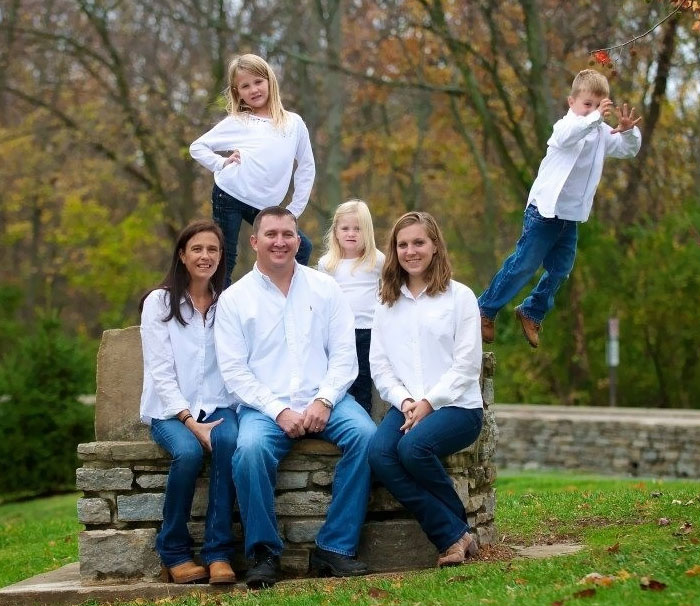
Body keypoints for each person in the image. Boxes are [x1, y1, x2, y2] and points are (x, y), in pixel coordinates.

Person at [214, 206, 376, 589]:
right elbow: (234, 372)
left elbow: (343, 356)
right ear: (254, 241)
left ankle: (334, 547)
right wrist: (278, 409)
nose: (280, 242)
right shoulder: (236, 299)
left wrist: (324, 400)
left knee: (368, 438)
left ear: (297, 239)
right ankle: (264, 553)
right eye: (271, 234)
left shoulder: (325, 288)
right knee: (249, 449)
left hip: (327, 399)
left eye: (288, 234)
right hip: (264, 408)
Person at [479, 69, 642, 347]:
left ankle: (531, 311)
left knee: (561, 270)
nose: (592, 111)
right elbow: (571, 135)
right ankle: (485, 309)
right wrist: (591, 118)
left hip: (570, 217)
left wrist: (628, 133)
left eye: (598, 105)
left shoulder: (601, 133)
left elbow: (628, 150)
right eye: (586, 104)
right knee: (524, 265)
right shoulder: (564, 127)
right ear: (572, 102)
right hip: (544, 211)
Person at [367, 211, 484, 568]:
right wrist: (404, 400)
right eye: (402, 244)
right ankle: (456, 534)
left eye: (418, 242)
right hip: (405, 406)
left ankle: (451, 535)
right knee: (379, 454)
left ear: (434, 246)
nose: (410, 251)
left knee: (414, 448)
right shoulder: (387, 301)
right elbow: (380, 364)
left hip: (458, 408)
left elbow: (467, 365)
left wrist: (430, 402)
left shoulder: (460, 297)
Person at [139, 220, 238, 584]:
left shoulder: (228, 304)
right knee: (190, 453)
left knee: (229, 443)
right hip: (170, 410)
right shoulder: (159, 302)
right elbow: (160, 372)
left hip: (218, 403)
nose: (205, 256)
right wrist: (188, 419)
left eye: (212, 249)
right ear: (182, 255)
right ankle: (175, 551)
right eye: (197, 249)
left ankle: (218, 554)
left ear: (221, 257)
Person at [190, 53, 315, 286]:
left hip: (265, 206)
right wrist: (220, 163)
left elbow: (306, 167)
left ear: (269, 81)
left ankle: (276, 296)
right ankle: (219, 314)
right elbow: (197, 147)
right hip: (230, 194)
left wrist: (294, 211)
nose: (253, 89)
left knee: (302, 247)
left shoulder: (294, 123)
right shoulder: (240, 122)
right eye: (245, 86)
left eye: (258, 82)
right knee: (227, 258)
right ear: (238, 92)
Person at [318, 199, 385, 414]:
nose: (351, 233)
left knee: (363, 379)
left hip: (368, 331)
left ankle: (363, 421)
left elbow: (389, 290)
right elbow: (322, 301)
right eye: (345, 228)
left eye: (358, 229)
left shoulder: (377, 260)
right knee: (338, 378)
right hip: (338, 333)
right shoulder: (327, 263)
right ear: (336, 231)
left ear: (367, 231)